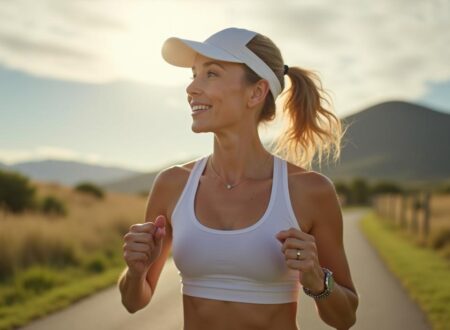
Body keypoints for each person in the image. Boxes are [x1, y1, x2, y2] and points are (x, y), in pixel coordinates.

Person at [118, 27, 358, 330]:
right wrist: (136, 272)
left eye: (212, 74)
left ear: (256, 92)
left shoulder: (309, 191)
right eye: (193, 74)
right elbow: (133, 301)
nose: (192, 88)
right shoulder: (172, 184)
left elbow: (345, 317)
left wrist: (316, 278)